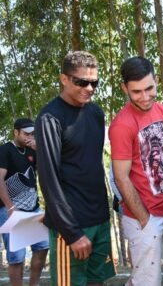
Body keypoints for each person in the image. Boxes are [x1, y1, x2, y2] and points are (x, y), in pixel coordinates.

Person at [35, 51, 115, 286]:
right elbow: (49, 180)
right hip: (71, 226)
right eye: (81, 81)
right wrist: (72, 233)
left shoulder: (96, 113)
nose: (89, 88)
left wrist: (105, 216)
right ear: (64, 79)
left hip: (99, 218)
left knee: (97, 282)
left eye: (94, 83)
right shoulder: (50, 118)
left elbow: (91, 166)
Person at [109, 56, 163, 286]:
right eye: (136, 92)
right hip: (143, 216)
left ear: (156, 81)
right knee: (146, 282)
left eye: (149, 88)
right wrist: (145, 219)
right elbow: (121, 178)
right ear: (125, 88)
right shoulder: (121, 125)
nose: (144, 97)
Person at [0, 118, 48, 286]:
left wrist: (39, 149)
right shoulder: (5, 150)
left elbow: (46, 170)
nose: (30, 136)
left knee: (43, 246)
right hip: (11, 210)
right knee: (16, 257)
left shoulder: (32, 150)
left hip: (33, 208)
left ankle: (33, 284)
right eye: (26, 133)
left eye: (32, 133)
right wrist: (10, 207)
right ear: (16, 132)